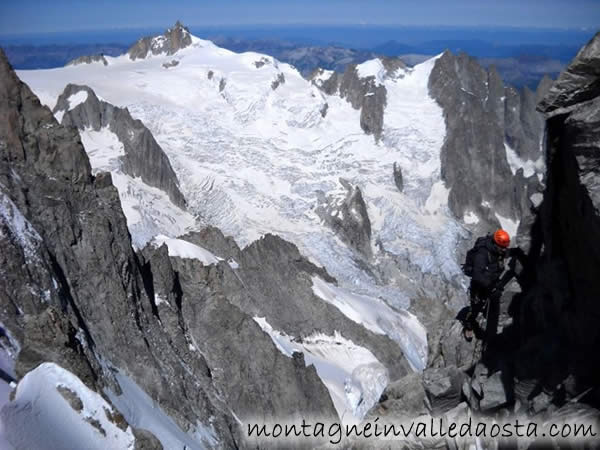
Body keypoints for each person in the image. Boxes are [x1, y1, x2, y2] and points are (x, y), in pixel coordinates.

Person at [460, 229, 522, 342]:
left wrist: (516, 251)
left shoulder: (498, 250)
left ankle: (484, 311)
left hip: (491, 282)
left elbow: (506, 252)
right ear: (495, 244)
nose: (504, 250)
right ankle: (468, 324)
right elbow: (477, 275)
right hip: (479, 286)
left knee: (487, 303)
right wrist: (491, 286)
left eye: (505, 247)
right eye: (502, 247)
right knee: (476, 307)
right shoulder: (482, 254)